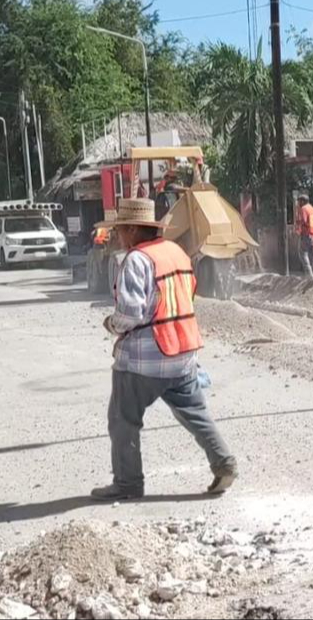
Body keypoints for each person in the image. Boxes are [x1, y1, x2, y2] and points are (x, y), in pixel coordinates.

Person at [92, 198, 238, 501]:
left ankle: (128, 484)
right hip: (183, 351)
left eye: (121, 230)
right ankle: (223, 463)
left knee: (123, 420)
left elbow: (131, 312)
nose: (119, 236)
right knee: (195, 413)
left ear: (133, 229)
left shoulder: (136, 260)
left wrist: (112, 324)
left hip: (144, 360)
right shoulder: (177, 253)